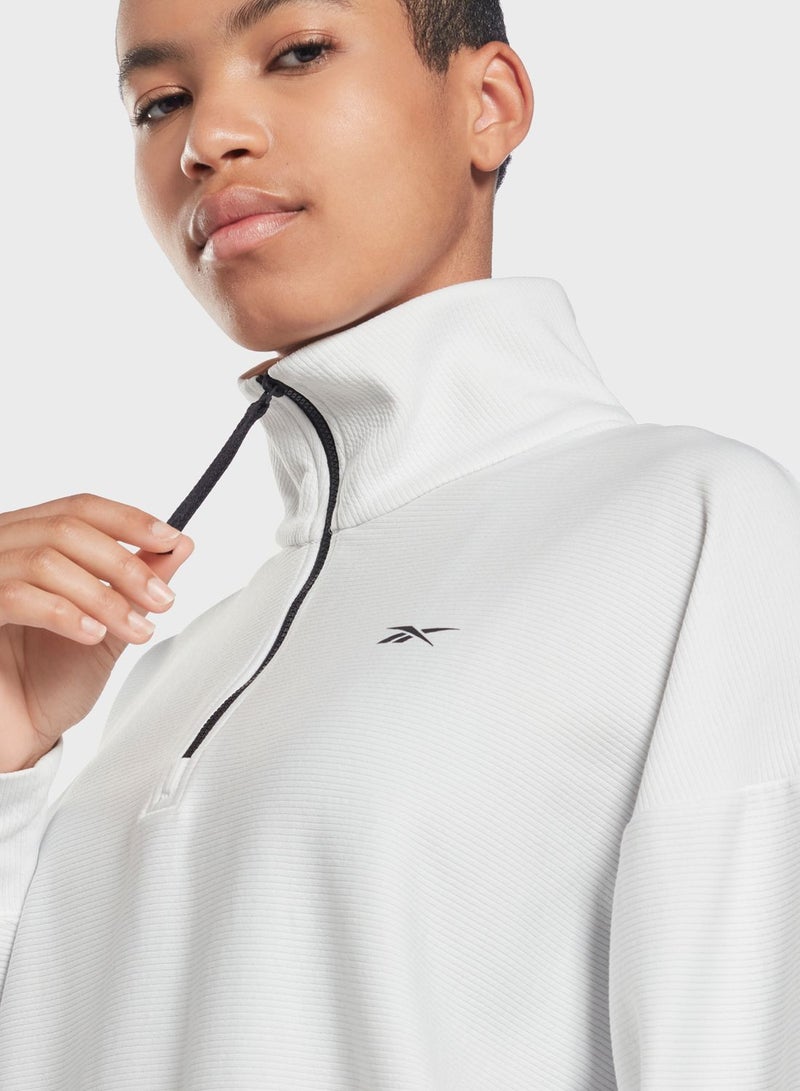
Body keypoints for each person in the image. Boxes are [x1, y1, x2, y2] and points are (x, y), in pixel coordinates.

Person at [1, 0, 798, 1086]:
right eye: (160, 102)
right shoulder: (170, 678)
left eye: (296, 53)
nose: (206, 140)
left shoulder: (691, 529)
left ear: (488, 104)